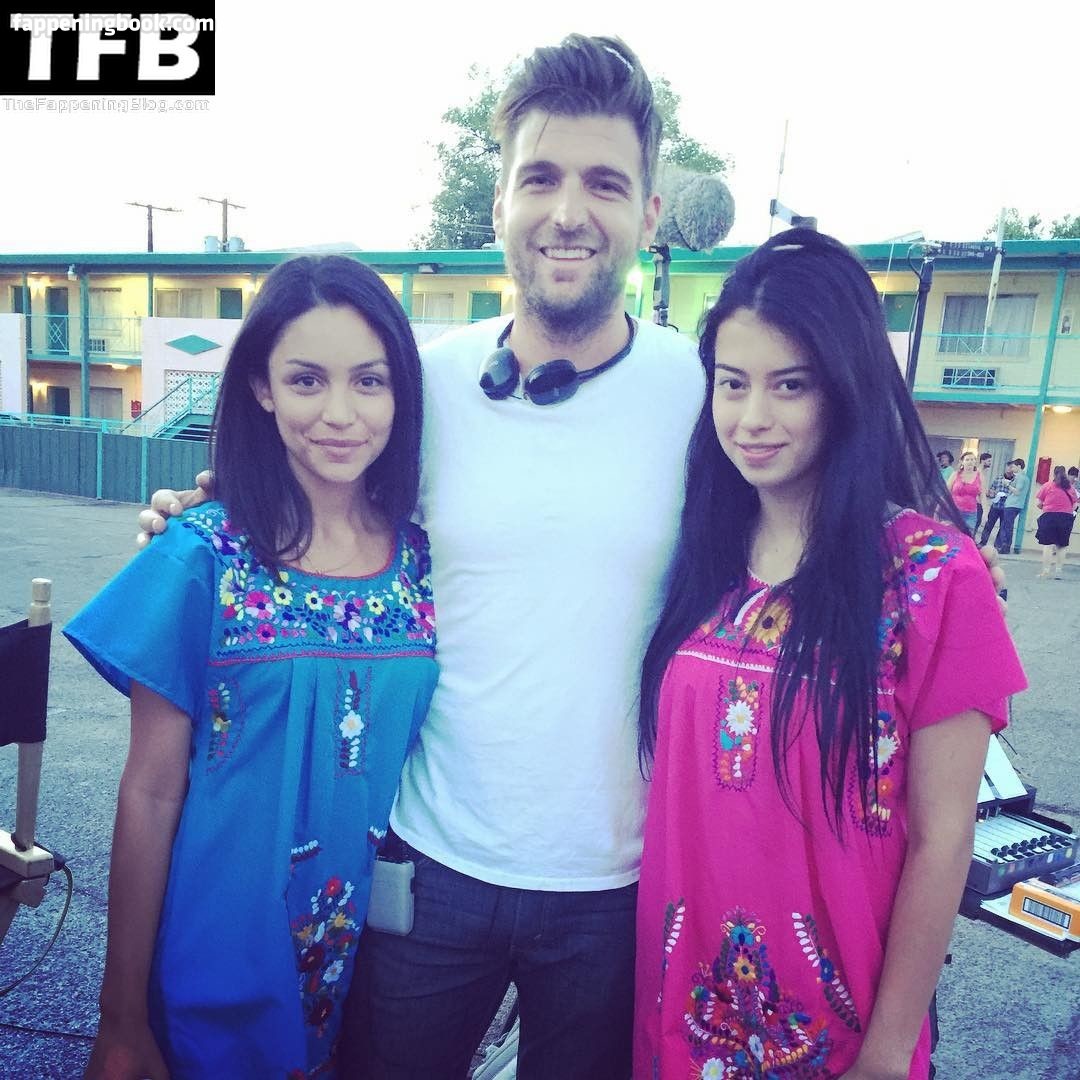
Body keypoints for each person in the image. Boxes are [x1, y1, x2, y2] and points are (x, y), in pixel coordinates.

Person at [133, 36, 1008, 1076]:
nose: (568, 211)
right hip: (432, 857)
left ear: (649, 214)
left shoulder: (708, 390)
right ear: (499, 202)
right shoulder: (419, 385)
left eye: (605, 183)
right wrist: (210, 513)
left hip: (623, 890)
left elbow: (829, 480)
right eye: (540, 177)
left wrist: (940, 563)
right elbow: (322, 495)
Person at [633, 230, 1026, 1079]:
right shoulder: (699, 553)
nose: (752, 418)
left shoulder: (934, 577)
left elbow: (944, 839)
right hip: (685, 1013)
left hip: (840, 1029)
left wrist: (884, 1053)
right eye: (732, 383)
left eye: (791, 385)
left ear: (845, 389)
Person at [65, 256, 437, 1078]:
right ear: (262, 388)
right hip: (220, 969)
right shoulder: (200, 556)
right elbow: (150, 791)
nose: (340, 414)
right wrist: (120, 1019)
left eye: (369, 381)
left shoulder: (426, 561)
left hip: (387, 973)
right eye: (306, 380)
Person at [1034, 464, 1078, 578]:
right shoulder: (1070, 488)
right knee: (1062, 545)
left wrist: (1046, 507)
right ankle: (1058, 571)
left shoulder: (1047, 485)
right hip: (1065, 517)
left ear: (1053, 474)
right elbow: (1075, 505)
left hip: (1049, 516)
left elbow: (1038, 503)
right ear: (1065, 474)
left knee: (1048, 545)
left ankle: (1046, 571)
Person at [978, 460, 1015, 551]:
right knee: (989, 525)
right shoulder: (998, 478)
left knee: (1003, 527)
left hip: (1006, 507)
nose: (1009, 469)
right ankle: (983, 542)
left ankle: (997, 545)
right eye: (1008, 467)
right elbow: (991, 490)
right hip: (996, 505)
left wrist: (1006, 495)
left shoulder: (1015, 481)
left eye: (1011, 467)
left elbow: (1015, 493)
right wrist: (994, 493)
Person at [998, 457, 1030, 554]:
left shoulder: (1020, 477)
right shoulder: (1025, 478)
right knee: (1007, 525)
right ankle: (1004, 545)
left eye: (1013, 467)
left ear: (1019, 466)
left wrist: (1007, 485)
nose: (1012, 469)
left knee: (1007, 526)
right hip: (1016, 504)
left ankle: (1005, 546)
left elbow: (1017, 492)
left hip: (1013, 504)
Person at [949, 449, 982, 532]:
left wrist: (985, 513)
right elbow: (946, 492)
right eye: (967, 460)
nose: (970, 461)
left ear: (975, 462)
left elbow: (983, 495)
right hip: (955, 511)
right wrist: (938, 509)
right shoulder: (955, 474)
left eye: (972, 459)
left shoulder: (979, 476)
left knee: (967, 536)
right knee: (952, 535)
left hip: (971, 513)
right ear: (962, 462)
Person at [975, 450, 993, 532]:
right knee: (975, 522)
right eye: (989, 461)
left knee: (978, 522)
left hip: (980, 502)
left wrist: (988, 493)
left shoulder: (983, 473)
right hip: (975, 502)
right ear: (982, 461)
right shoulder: (977, 472)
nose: (990, 463)